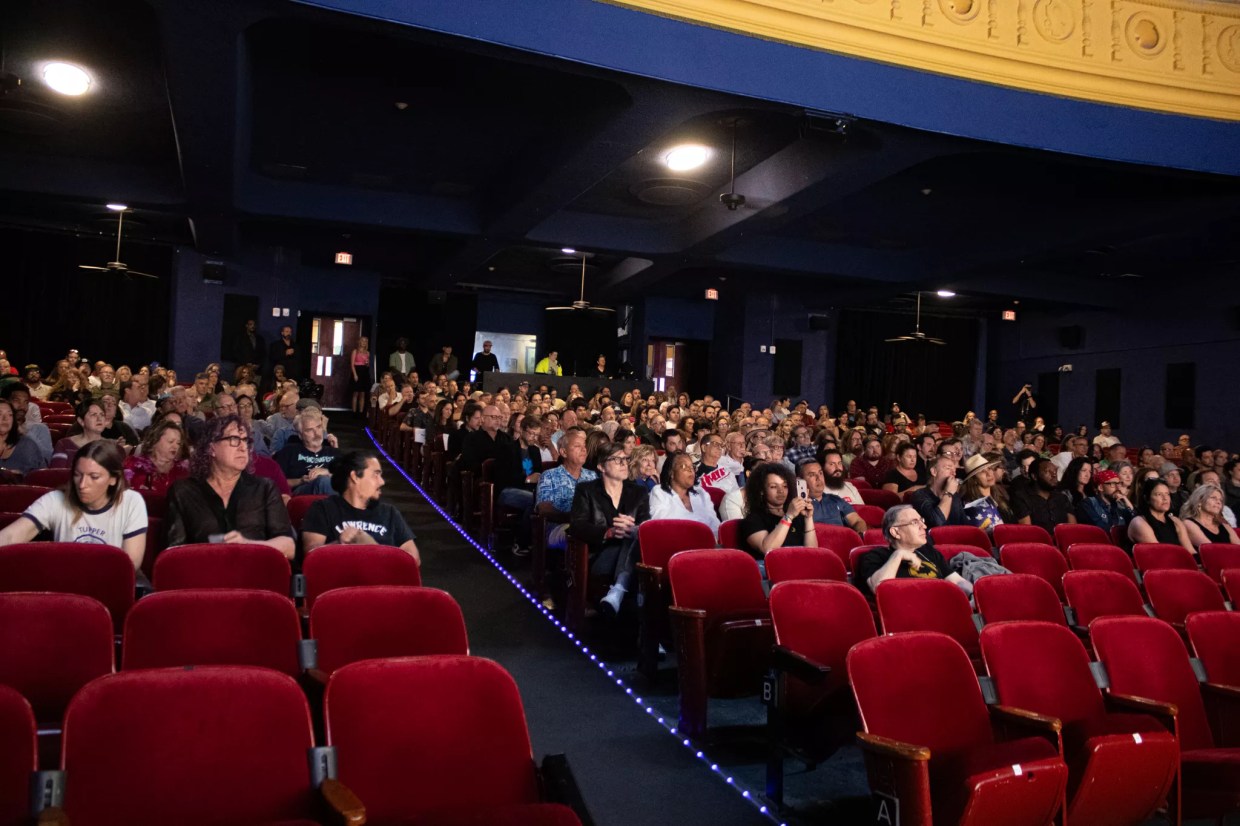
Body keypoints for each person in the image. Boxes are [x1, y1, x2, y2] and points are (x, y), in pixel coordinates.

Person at [0, 440, 147, 570]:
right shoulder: (55, 500)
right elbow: (11, 536)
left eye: (94, 477)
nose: (82, 485)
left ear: (113, 479)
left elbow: (130, 564)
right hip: (64, 583)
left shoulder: (131, 502)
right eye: (78, 475)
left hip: (108, 583)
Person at [164, 414, 295, 559]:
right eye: (234, 440)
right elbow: (173, 554)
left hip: (255, 574)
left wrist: (248, 545)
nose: (243, 447)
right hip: (203, 575)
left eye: (245, 440)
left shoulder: (265, 488)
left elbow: (288, 546)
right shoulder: (183, 491)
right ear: (211, 448)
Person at [570, 441, 651, 617]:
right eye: (617, 459)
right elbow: (577, 525)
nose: (624, 464)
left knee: (634, 536)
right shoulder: (586, 490)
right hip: (601, 554)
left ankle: (619, 590)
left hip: (634, 553)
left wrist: (632, 529)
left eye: (626, 459)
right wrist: (609, 532)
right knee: (631, 539)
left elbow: (646, 525)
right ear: (601, 466)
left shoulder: (638, 491)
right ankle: (625, 594)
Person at [299, 450, 420, 562]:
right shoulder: (323, 509)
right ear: (355, 477)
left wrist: (372, 546)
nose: (382, 481)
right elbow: (311, 555)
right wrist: (338, 544)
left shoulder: (390, 513)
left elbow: (413, 560)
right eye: (375, 474)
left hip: (382, 582)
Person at [854, 505, 972, 598]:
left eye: (922, 520)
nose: (924, 526)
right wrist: (898, 554)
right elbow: (879, 588)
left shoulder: (928, 551)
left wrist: (974, 595)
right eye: (915, 522)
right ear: (895, 532)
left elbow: (957, 581)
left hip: (940, 606)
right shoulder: (874, 556)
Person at [738, 462, 819, 561]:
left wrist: (808, 518)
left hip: (799, 567)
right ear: (761, 490)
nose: (781, 491)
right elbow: (767, 549)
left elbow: (812, 553)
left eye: (785, 486)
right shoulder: (753, 519)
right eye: (773, 486)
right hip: (770, 572)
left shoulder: (797, 515)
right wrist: (788, 516)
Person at [535, 427, 597, 550]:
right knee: (585, 533)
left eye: (584, 446)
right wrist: (575, 518)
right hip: (560, 527)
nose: (584, 450)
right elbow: (544, 509)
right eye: (577, 446)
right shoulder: (549, 475)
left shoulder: (592, 475)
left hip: (590, 525)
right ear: (563, 452)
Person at [648, 452, 720, 538]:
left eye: (692, 467)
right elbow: (662, 525)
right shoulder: (659, 492)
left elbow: (715, 526)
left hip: (706, 545)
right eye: (684, 466)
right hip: (676, 544)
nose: (691, 470)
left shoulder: (701, 494)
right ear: (671, 473)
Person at [275, 407, 338, 495]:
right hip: (302, 494)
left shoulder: (332, 451)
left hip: (329, 495)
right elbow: (276, 482)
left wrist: (327, 472)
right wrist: (300, 480)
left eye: (318, 427)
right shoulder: (289, 451)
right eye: (309, 430)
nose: (316, 433)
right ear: (300, 435)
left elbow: (347, 478)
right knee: (323, 481)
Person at [1128, 478, 1195, 555]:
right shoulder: (1139, 523)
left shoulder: (1176, 521)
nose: (1165, 498)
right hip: (1158, 564)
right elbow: (1160, 554)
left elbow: (1190, 552)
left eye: (1167, 494)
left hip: (1178, 563)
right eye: (1159, 494)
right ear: (1147, 499)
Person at [1011, 457, 1077, 534]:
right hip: (1038, 543)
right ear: (1034, 476)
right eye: (1047, 471)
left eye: (1055, 471)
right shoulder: (1022, 497)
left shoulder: (1062, 497)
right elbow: (1027, 532)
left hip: (1063, 542)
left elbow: (1073, 529)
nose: (1054, 475)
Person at [123, 420, 190, 496]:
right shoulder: (133, 465)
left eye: (178, 443)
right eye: (170, 441)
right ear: (155, 441)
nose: (175, 446)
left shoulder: (183, 470)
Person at [799, 459, 866, 534]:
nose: (818, 478)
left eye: (820, 473)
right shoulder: (798, 505)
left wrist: (859, 535)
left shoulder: (835, 499)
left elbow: (857, 521)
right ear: (800, 481)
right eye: (812, 475)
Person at [960, 453, 1010, 538]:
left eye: (990, 469)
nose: (989, 474)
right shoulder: (971, 504)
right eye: (982, 471)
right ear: (974, 479)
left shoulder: (1001, 495)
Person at [50, 398, 109, 469]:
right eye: (94, 415)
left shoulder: (112, 448)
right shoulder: (64, 445)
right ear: (81, 421)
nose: (99, 418)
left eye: (102, 414)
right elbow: (56, 476)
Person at [909, 454, 966, 527]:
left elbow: (965, 525)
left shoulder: (955, 496)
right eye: (948, 468)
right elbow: (938, 522)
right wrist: (948, 493)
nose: (954, 473)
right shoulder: (919, 495)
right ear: (934, 471)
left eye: (954, 470)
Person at [1179, 483, 1239, 550]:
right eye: (1213, 498)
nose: (1218, 502)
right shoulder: (1188, 523)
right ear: (1200, 500)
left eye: (1220, 500)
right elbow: (1211, 550)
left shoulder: (1225, 525)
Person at [0, 398, 46, 480]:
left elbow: (41, 480)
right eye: (0, 414)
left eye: (10, 415)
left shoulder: (27, 446)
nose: (5, 419)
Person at [349, 336, 373, 415]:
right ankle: (354, 412)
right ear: (359, 341)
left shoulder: (368, 353)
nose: (364, 342)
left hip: (364, 373)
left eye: (366, 341)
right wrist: (355, 375)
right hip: (357, 372)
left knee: (363, 393)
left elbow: (368, 365)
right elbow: (352, 365)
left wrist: (367, 363)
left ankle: (361, 412)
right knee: (355, 393)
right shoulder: (355, 351)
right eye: (363, 341)